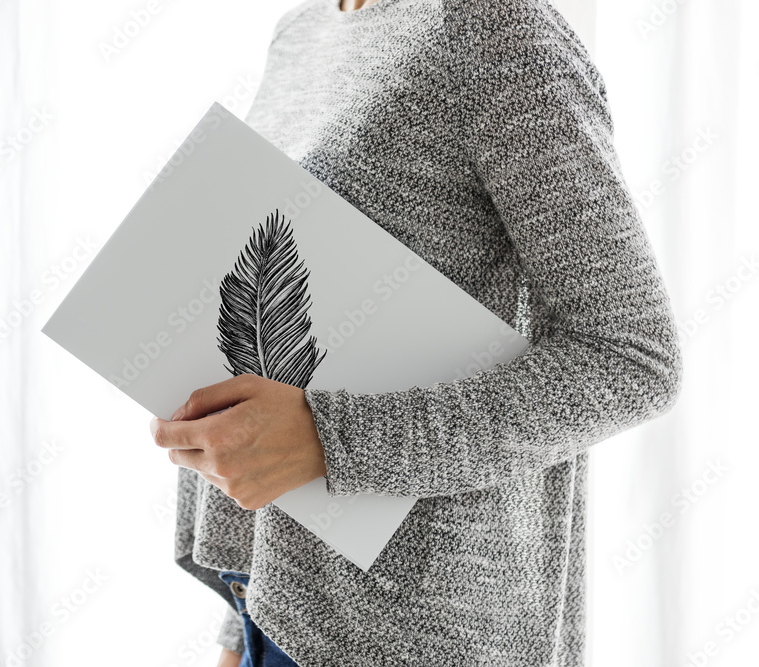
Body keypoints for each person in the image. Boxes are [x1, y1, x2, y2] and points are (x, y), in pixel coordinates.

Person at [149, 0, 683, 664]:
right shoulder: (301, 33)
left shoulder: (496, 30)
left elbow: (631, 356)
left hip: (421, 633)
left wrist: (332, 438)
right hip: (275, 609)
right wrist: (239, 628)